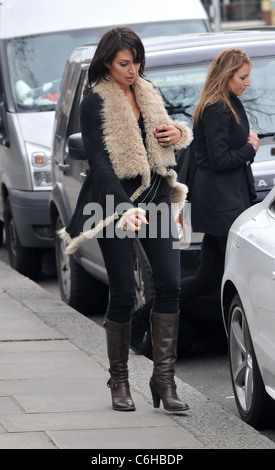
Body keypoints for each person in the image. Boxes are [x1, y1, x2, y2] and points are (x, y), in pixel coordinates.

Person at [58, 27, 192, 412]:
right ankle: (119, 380)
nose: (132, 70)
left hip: (156, 198)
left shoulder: (148, 91)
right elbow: (99, 163)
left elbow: (174, 134)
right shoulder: (94, 102)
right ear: (106, 63)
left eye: (136, 61)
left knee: (169, 284)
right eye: (124, 63)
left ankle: (163, 381)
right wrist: (123, 208)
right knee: (121, 291)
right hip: (112, 204)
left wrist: (175, 132)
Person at [131, 48, 259, 354]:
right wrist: (250, 148)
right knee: (239, 274)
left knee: (207, 278)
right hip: (221, 206)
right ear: (227, 76)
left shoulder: (229, 103)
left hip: (228, 201)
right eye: (243, 77)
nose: (248, 83)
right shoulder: (216, 108)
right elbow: (218, 159)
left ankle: (138, 320)